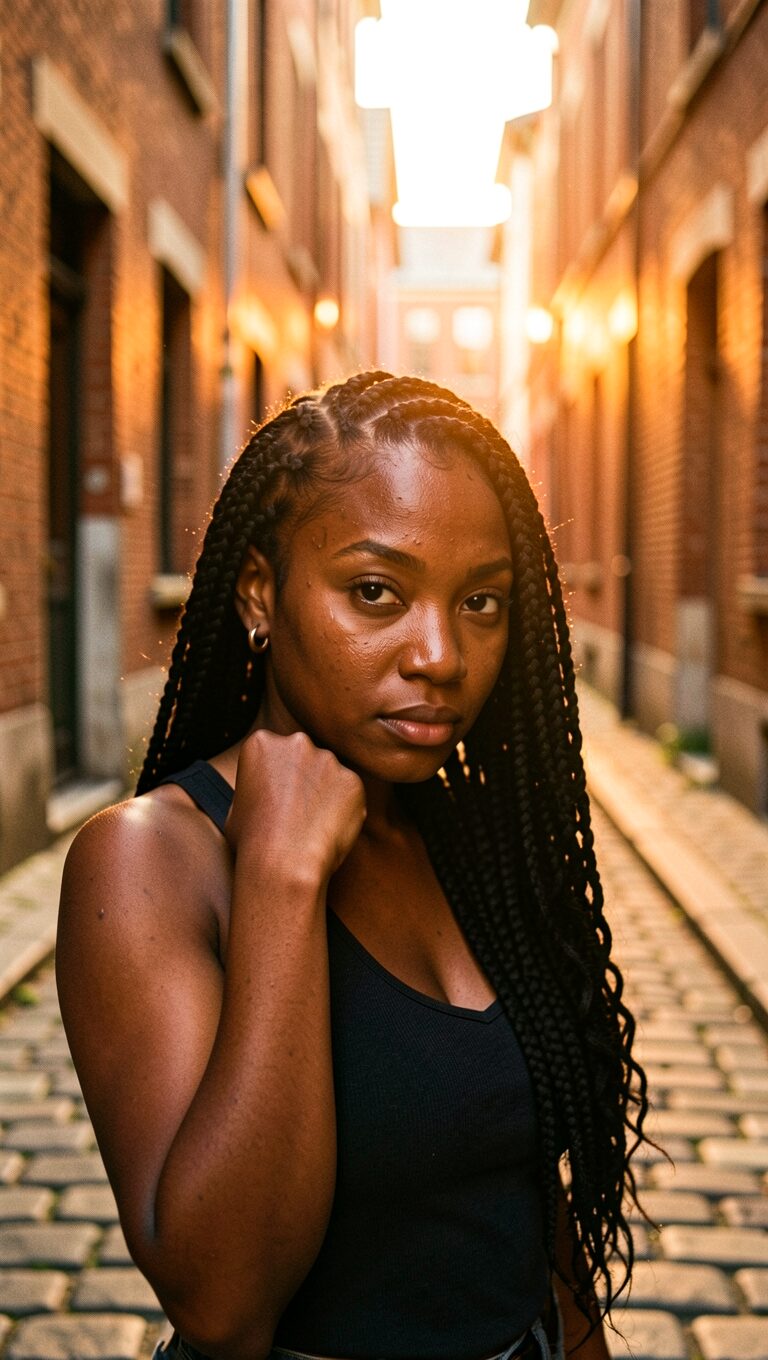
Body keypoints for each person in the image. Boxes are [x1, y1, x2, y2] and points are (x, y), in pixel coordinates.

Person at [56, 371, 648, 1360]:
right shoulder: (147, 861)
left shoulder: (464, 836)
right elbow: (224, 1306)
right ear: (259, 592)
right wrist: (282, 877)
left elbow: (522, 1191)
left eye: (482, 600)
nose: (441, 654)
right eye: (376, 591)